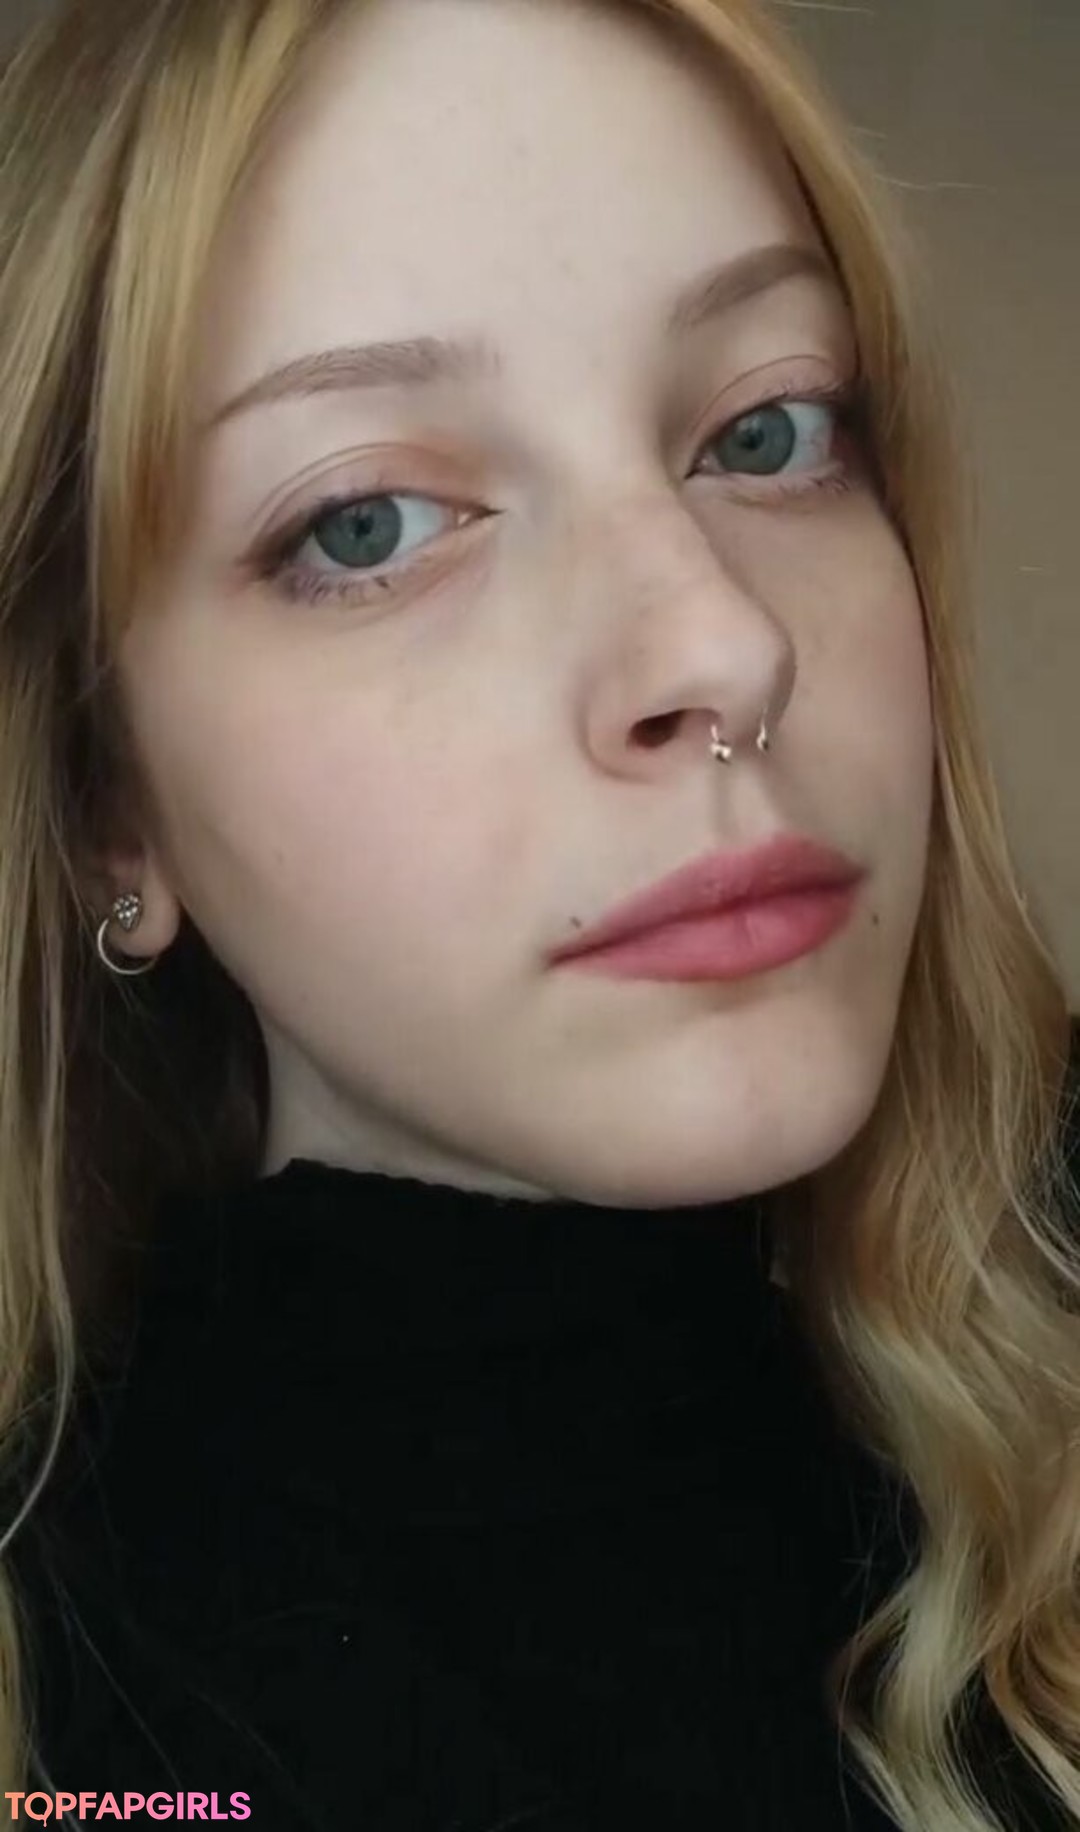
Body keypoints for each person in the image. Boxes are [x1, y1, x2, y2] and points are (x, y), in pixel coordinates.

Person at [0, 0, 1076, 1826]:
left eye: (768, 431)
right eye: (365, 526)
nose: (723, 641)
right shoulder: (91, 1741)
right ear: (110, 798)